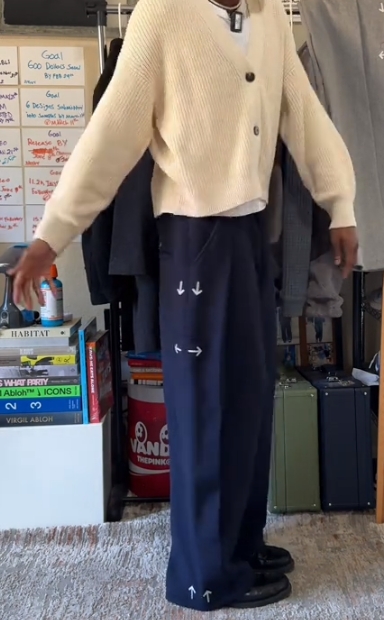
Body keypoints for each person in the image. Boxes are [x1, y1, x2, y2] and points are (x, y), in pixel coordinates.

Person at [11, 0, 358, 612]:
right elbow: (110, 135)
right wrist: (51, 236)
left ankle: (240, 544)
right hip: (196, 238)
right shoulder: (163, 15)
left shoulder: (268, 18)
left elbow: (304, 114)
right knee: (205, 406)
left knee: (249, 397)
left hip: (252, 234)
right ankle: (204, 575)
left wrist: (342, 204)